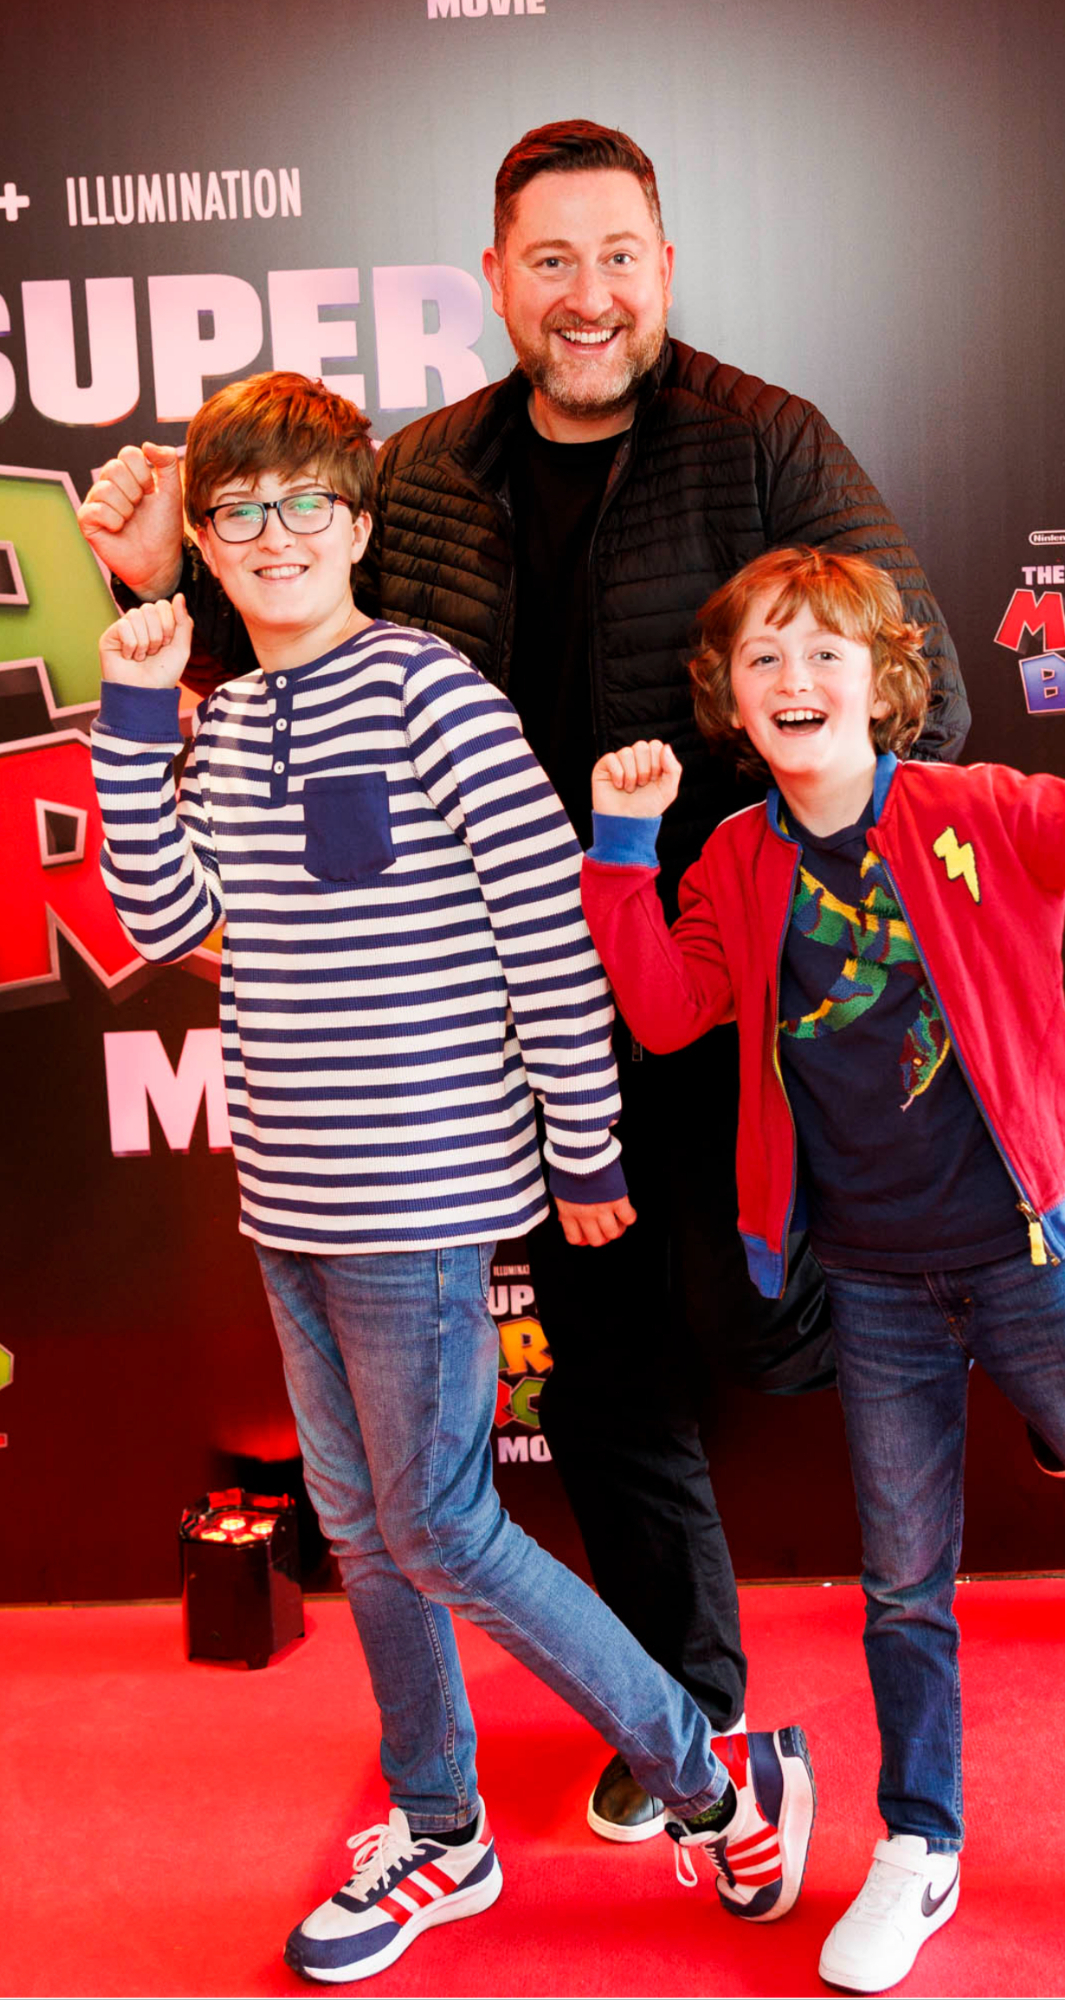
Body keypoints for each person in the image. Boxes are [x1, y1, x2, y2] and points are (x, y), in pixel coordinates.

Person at [76, 118, 969, 1842]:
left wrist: (772, 896)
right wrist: (164, 566)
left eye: (617, 256)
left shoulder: (765, 440)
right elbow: (287, 622)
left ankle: (847, 1698)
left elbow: (916, 688)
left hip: (718, 984)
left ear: (666, 266)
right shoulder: (423, 468)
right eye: (550, 260)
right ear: (494, 278)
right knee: (609, 1368)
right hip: (505, 1008)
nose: (587, 294)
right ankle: (694, 1706)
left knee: (764, 1318)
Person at [87, 371, 817, 1984]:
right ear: (205, 539)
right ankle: (442, 1830)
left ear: (359, 523)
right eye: (238, 512)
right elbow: (162, 919)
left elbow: (546, 933)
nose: (274, 536)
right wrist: (133, 716)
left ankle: (714, 1777)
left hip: (417, 1189)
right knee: (363, 1526)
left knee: (436, 1524)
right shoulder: (224, 718)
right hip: (288, 1192)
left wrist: (585, 1145)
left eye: (306, 505)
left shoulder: (434, 693)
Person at [579, 545, 1065, 1991]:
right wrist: (621, 847)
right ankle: (921, 1841)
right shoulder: (735, 858)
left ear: (884, 679)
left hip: (1038, 1257)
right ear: (729, 698)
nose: (795, 679)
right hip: (876, 1281)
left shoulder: (981, 809)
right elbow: (663, 1014)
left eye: (825, 652)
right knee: (904, 1584)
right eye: (764, 658)